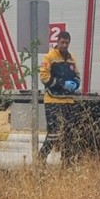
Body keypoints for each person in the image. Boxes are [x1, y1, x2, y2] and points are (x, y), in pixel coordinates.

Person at [38, 31, 81, 163]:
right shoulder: (49, 57)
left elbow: (77, 75)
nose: (64, 45)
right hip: (53, 99)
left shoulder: (71, 58)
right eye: (62, 42)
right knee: (54, 132)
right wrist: (62, 84)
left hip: (68, 100)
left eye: (66, 42)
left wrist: (75, 84)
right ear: (57, 42)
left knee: (69, 132)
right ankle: (40, 158)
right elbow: (44, 77)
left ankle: (67, 161)